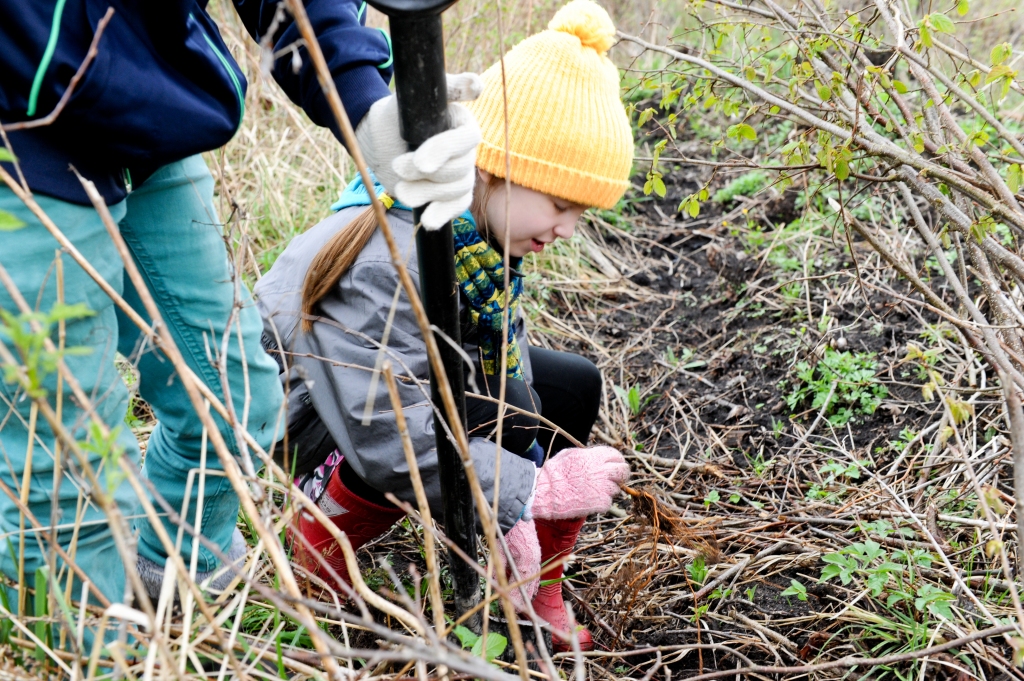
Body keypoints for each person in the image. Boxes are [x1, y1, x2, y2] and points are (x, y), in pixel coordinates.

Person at [0, 0, 480, 631]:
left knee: (234, 398)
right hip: (18, 129)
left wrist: (364, 100)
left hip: (145, 111)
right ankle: (89, 650)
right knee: (68, 468)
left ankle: (179, 594)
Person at [255, 0, 634, 651]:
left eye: (583, 212)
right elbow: (386, 432)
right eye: (560, 203)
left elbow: (502, 378)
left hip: (388, 395)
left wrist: (523, 482)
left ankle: (533, 584)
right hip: (310, 424)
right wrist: (531, 487)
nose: (568, 229)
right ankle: (318, 544)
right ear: (495, 167)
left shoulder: (478, 238)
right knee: (454, 410)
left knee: (566, 388)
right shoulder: (391, 258)